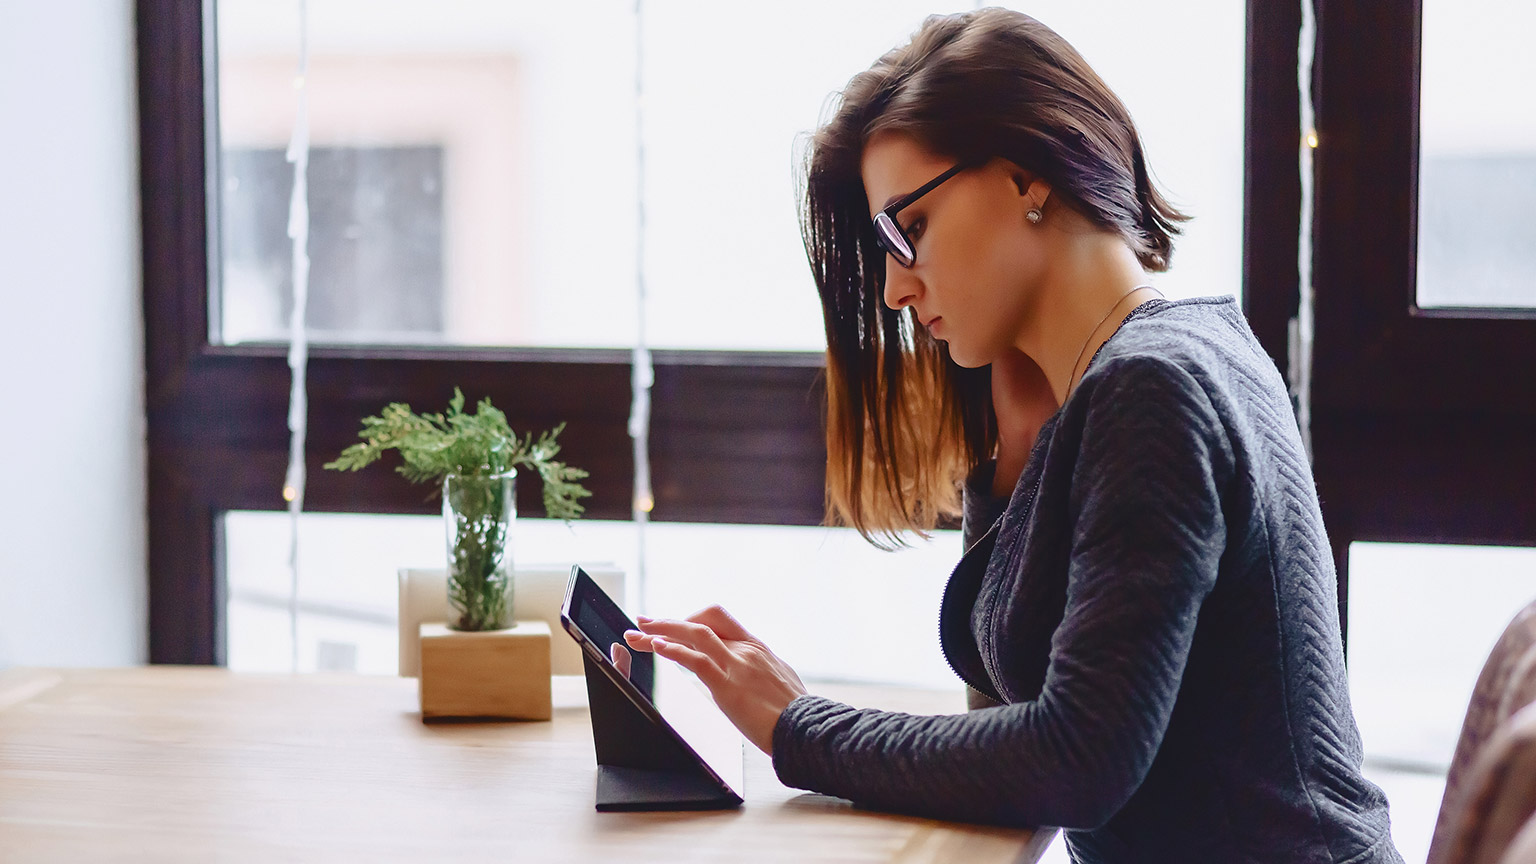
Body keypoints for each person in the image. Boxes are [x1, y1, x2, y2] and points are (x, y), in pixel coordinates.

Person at [622, 8, 1404, 863]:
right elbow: (1007, 723)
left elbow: (1075, 761)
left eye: (907, 229)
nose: (892, 289)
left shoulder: (1154, 389)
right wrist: (1013, 448)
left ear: (1029, 176)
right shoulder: (1185, 350)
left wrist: (797, 728)